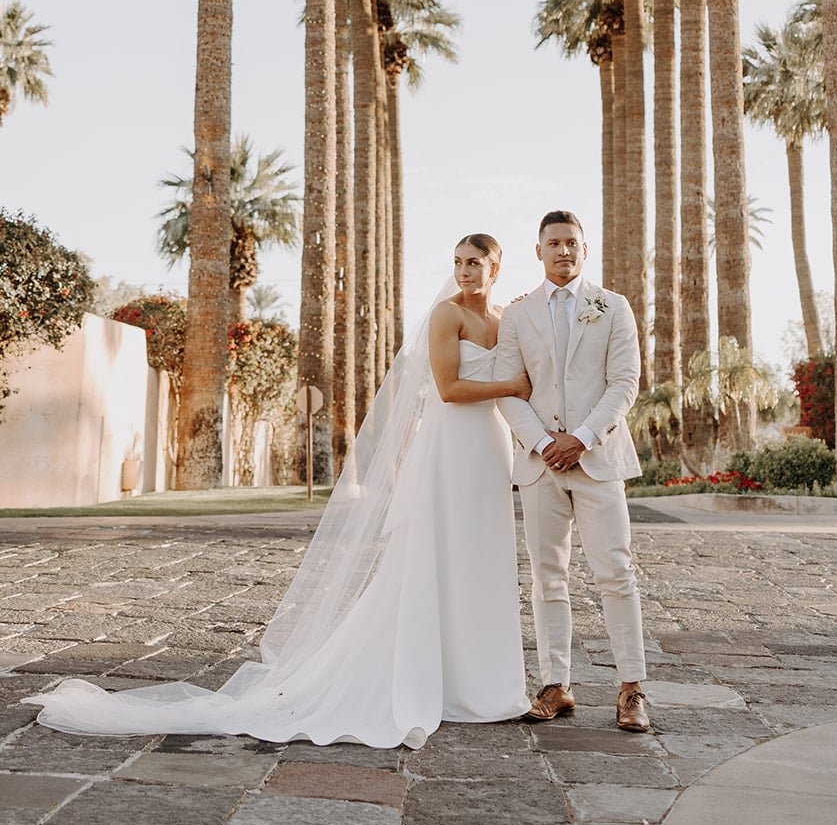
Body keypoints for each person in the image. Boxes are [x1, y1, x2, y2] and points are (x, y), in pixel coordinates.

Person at [24, 235, 530, 749]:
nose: (465, 272)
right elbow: (448, 389)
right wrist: (511, 387)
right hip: (450, 447)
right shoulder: (448, 316)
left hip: (490, 446)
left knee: (482, 559)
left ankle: (481, 685)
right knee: (439, 557)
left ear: (496, 267)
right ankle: (433, 682)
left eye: (475, 264)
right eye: (459, 262)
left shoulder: (505, 320)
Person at [495, 210, 650, 733]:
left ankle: (631, 689)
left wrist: (581, 438)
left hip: (598, 461)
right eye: (553, 243)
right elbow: (508, 389)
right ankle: (555, 685)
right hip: (540, 466)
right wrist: (542, 442)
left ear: (586, 250)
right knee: (547, 578)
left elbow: (624, 383)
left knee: (616, 573)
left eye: (572, 243)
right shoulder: (517, 315)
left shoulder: (613, 307)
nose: (563, 251)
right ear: (538, 251)